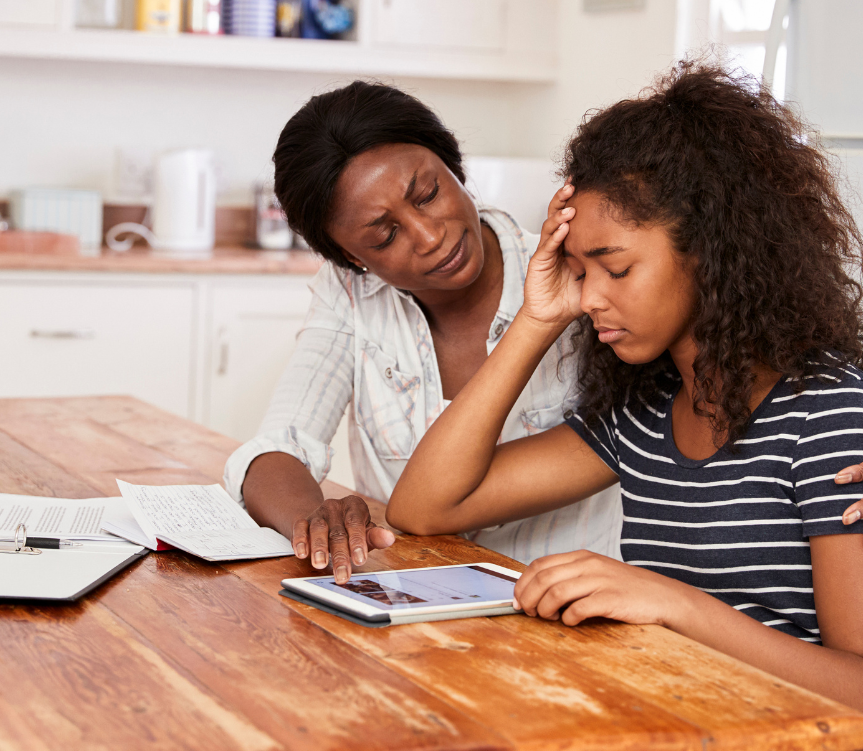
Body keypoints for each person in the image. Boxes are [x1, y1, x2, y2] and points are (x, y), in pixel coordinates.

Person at [386, 61, 863, 709]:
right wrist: (535, 319)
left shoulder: (828, 415)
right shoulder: (644, 412)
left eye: (615, 268)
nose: (589, 300)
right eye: (578, 272)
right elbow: (424, 508)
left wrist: (673, 605)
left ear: (710, 250)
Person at [224, 82, 624, 583]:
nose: (431, 236)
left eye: (428, 194)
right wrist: (313, 519)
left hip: (561, 617)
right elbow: (278, 447)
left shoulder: (574, 278)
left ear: (454, 166)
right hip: (411, 605)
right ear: (353, 258)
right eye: (385, 235)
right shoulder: (351, 295)